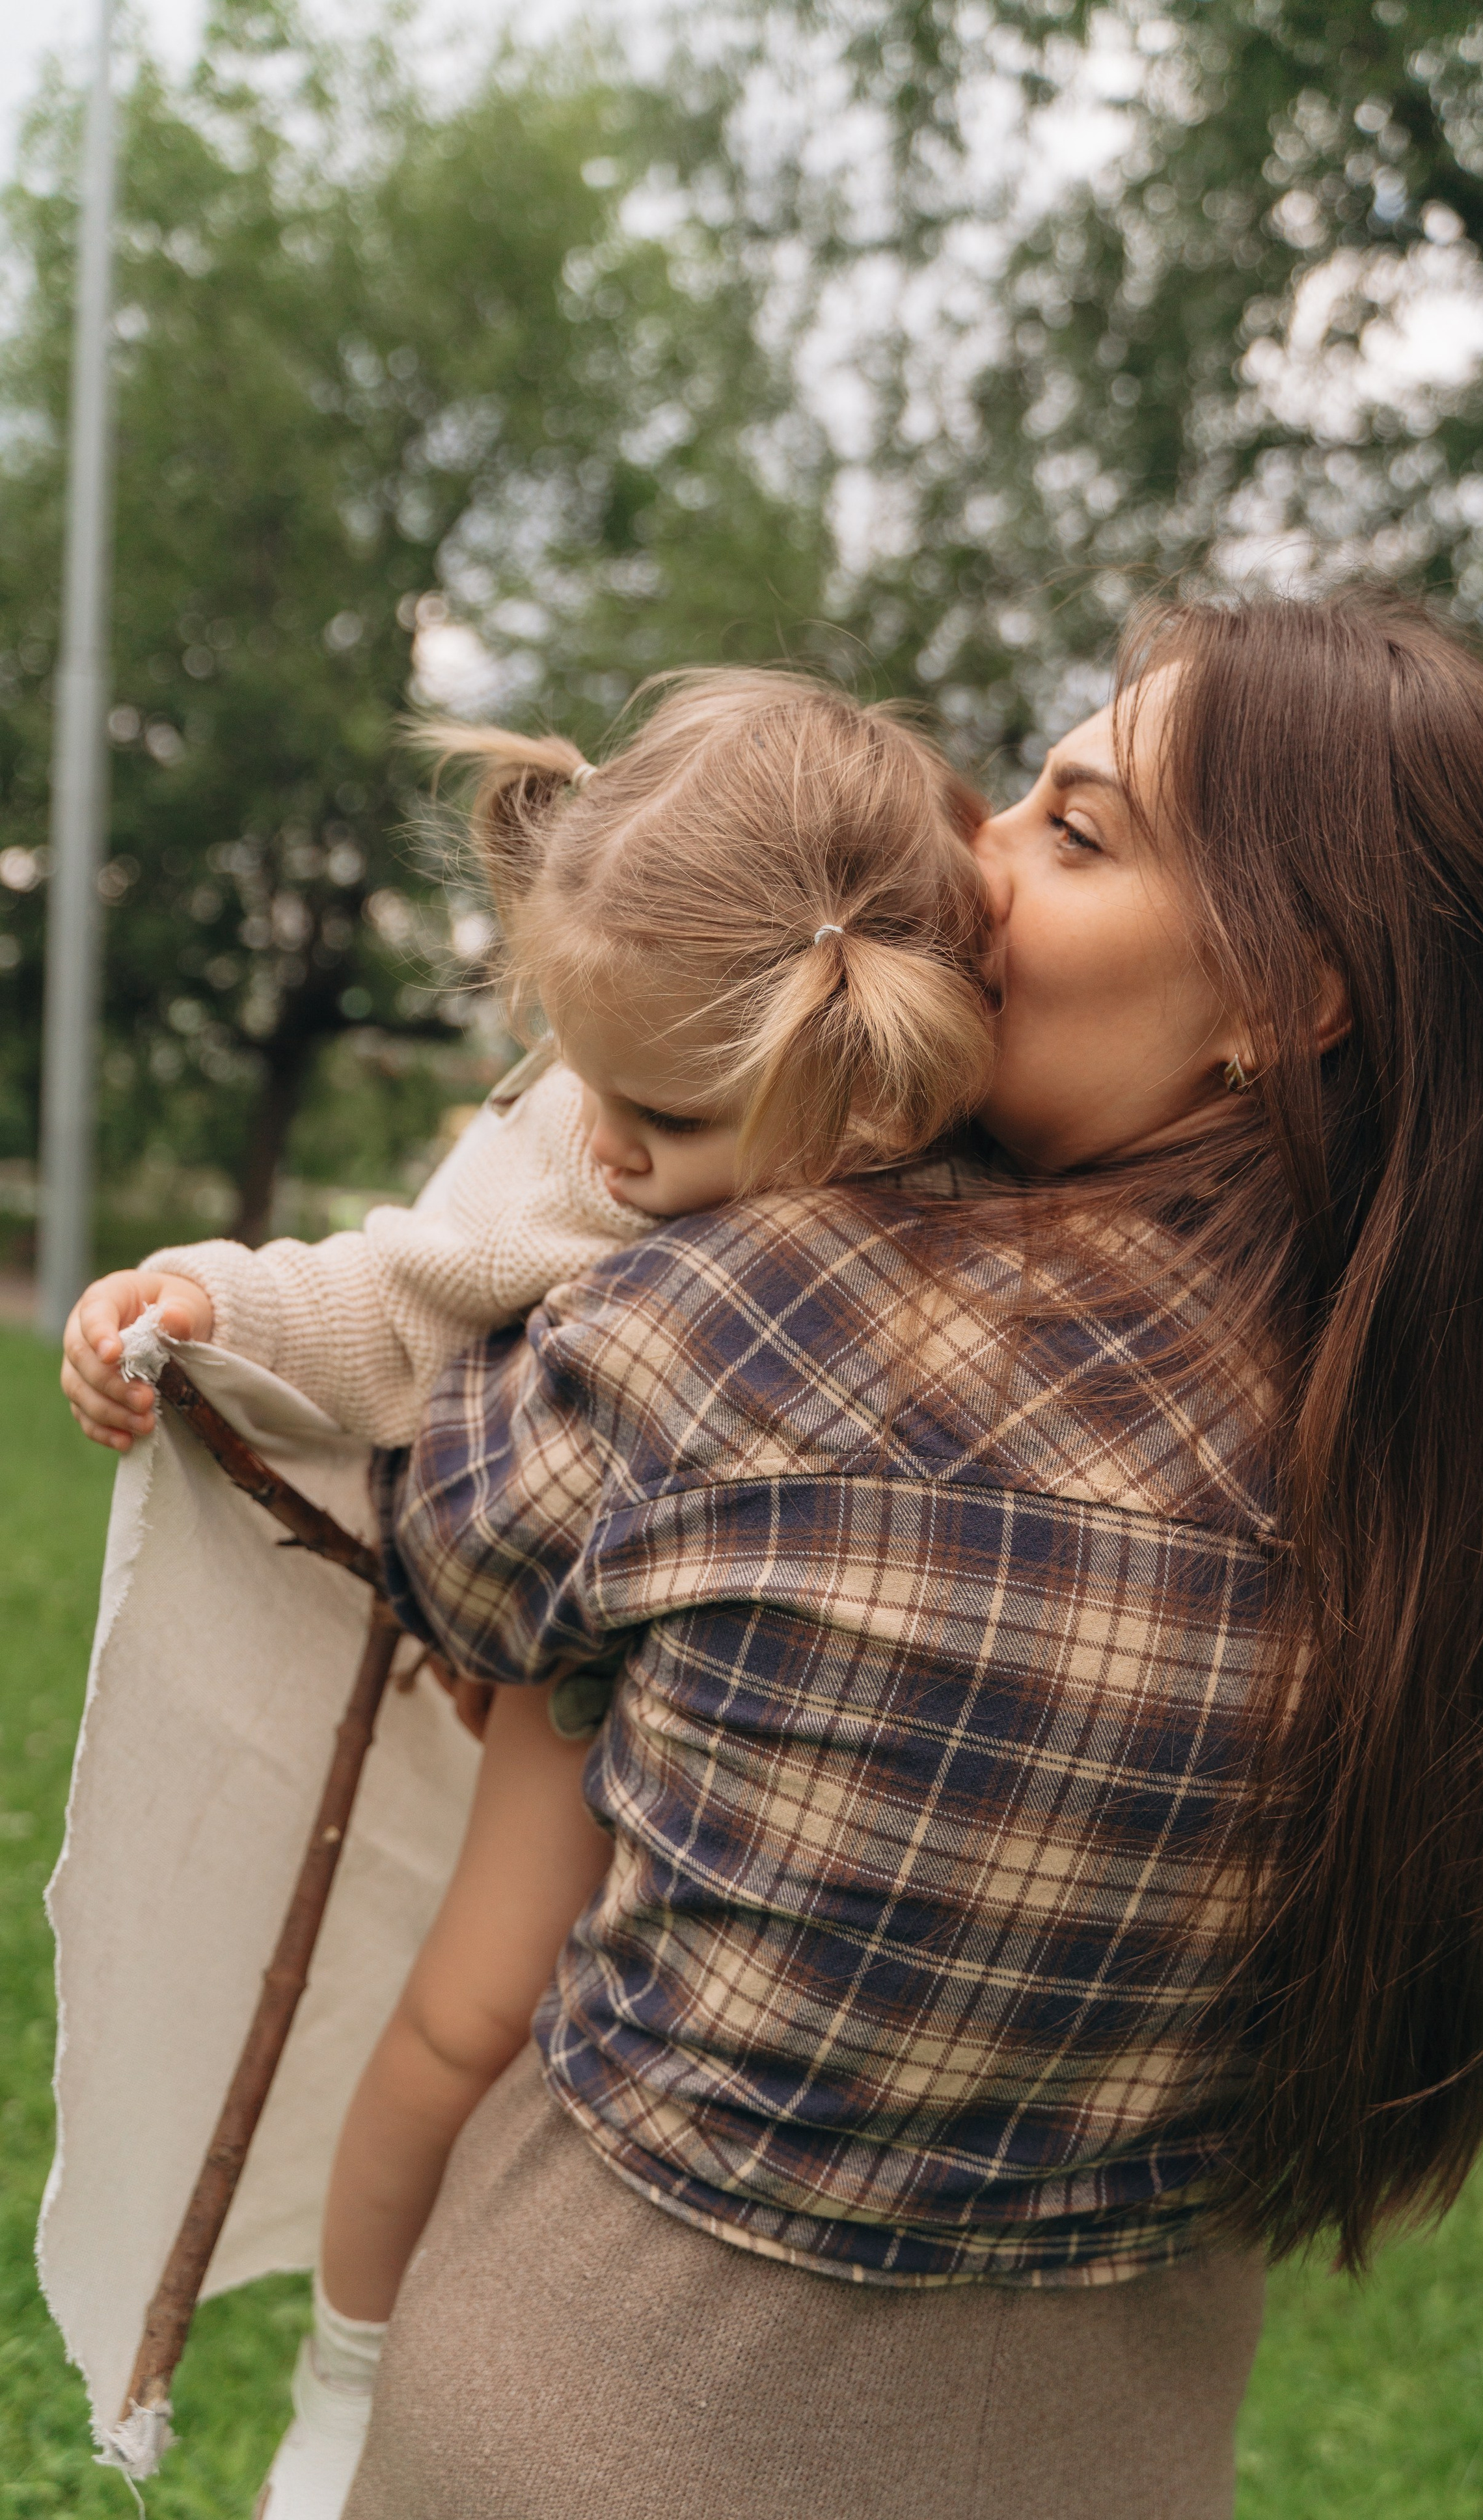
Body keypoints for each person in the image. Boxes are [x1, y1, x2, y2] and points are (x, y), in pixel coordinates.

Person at [341, 592, 1483, 2520]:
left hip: (590, 2416)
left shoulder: (767, 1309)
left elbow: (449, 1546)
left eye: (1075, 828)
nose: (977, 857)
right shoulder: (1462, 1514)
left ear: (1290, 999)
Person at [55, 670, 995, 2520]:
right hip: (593, 1686)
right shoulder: (603, 1171)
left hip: (842, 1775)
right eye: (588, 1083)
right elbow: (409, 1297)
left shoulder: (968, 1181)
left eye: (664, 1110)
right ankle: (351, 2371)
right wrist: (207, 1300)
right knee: (466, 2017)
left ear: (864, 1076)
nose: (614, 1145)